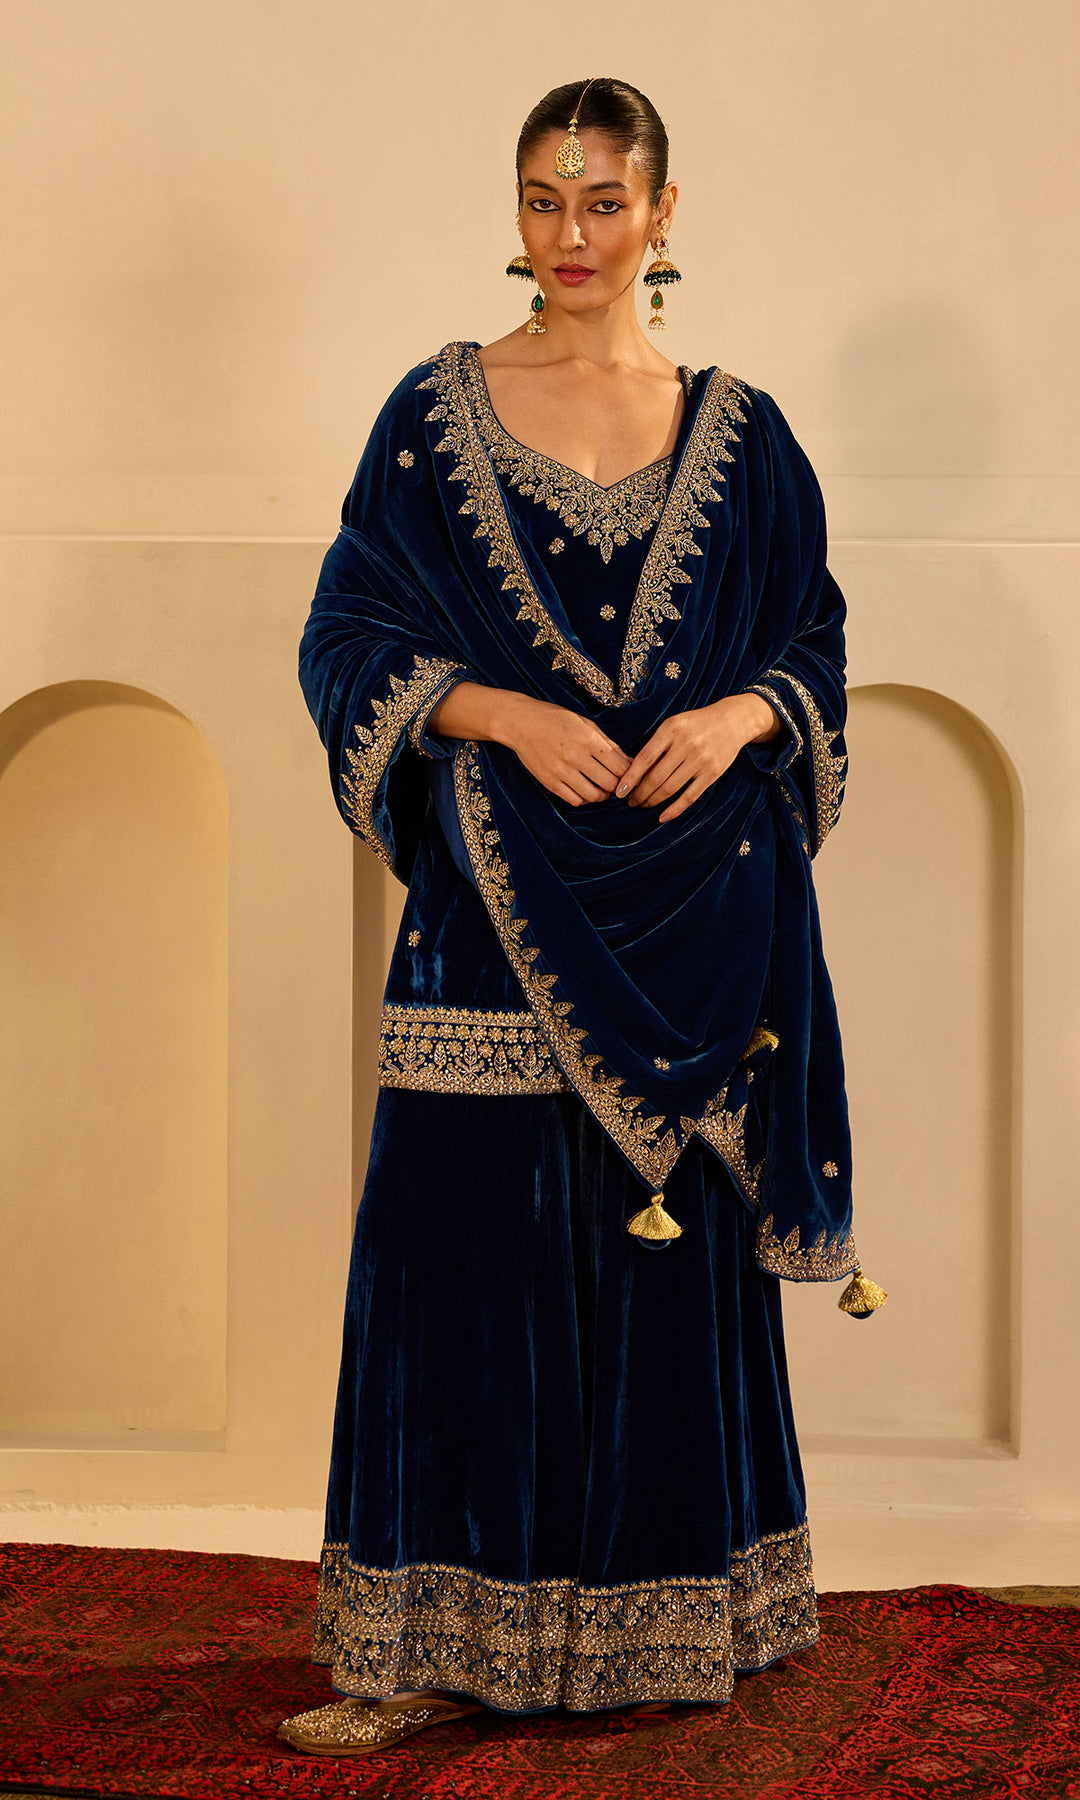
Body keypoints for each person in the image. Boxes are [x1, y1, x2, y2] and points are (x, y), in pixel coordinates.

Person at [278, 75, 885, 1759]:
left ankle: (667, 1625)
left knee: (655, 1260)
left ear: (662, 215)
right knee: (454, 1256)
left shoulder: (743, 437)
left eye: (604, 201)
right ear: (516, 212)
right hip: (487, 905)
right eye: (544, 201)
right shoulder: (432, 414)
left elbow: (816, 645)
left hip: (691, 924)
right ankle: (421, 1647)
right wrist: (494, 713)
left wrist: (746, 716)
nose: (571, 234)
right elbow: (344, 638)